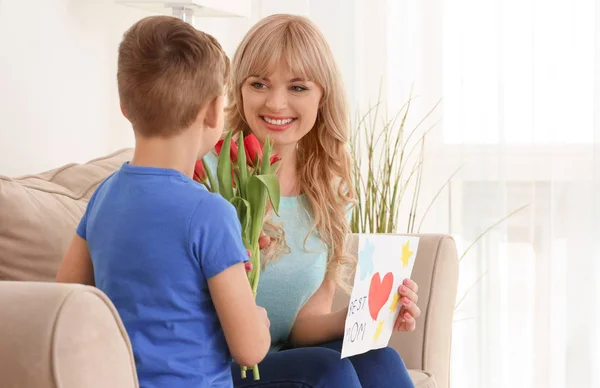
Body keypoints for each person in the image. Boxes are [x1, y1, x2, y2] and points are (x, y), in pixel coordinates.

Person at [206, 13, 421, 387]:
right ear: (238, 89)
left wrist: (367, 313)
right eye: (259, 83)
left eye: (298, 87)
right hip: (217, 364)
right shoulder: (210, 173)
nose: (276, 103)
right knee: (328, 372)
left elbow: (302, 325)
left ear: (323, 96)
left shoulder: (329, 189)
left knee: (380, 359)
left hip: (277, 362)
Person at [55, 16, 271, 388]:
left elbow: (63, 300)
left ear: (124, 105)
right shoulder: (209, 212)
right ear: (214, 110)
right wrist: (260, 320)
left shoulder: (103, 196)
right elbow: (249, 349)